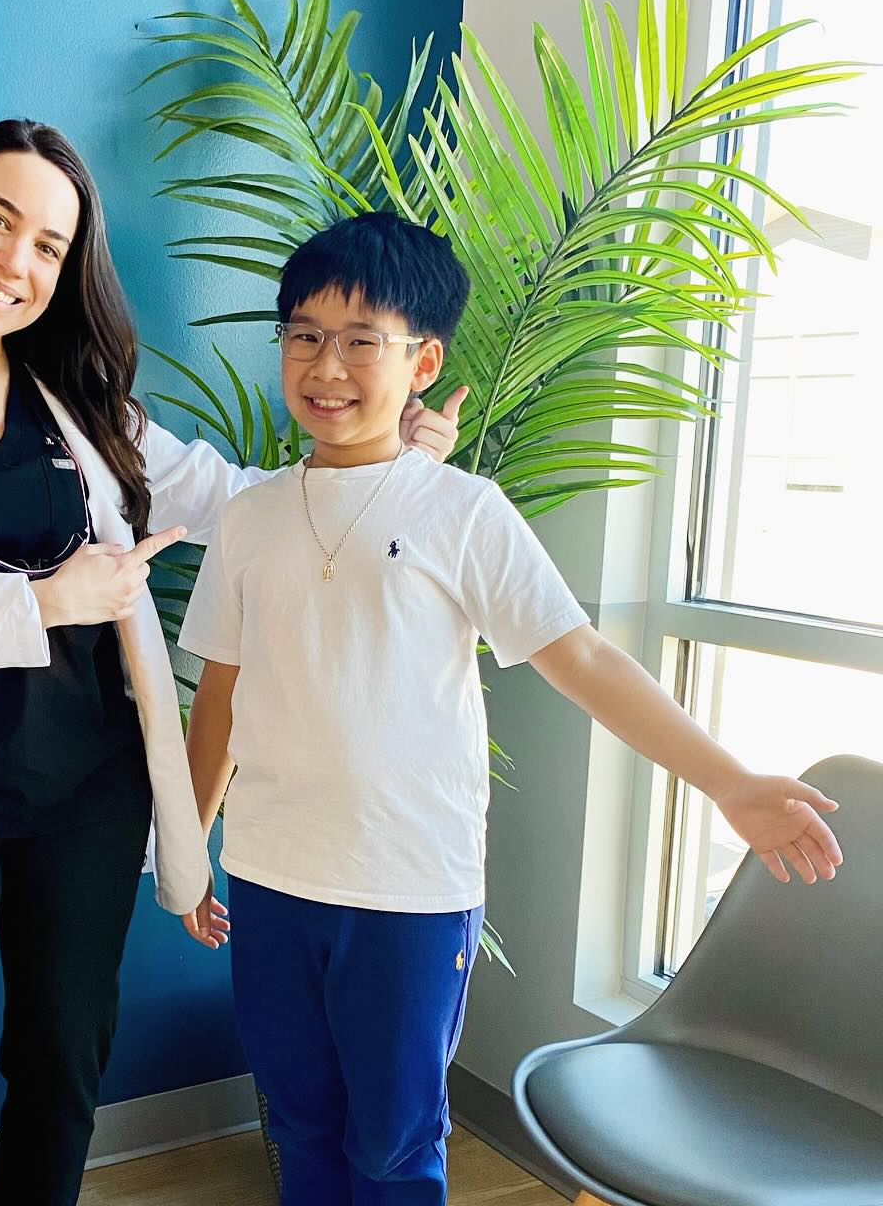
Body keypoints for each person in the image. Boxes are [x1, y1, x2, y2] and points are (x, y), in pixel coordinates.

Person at [0, 122, 463, 1205]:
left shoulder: (79, 404)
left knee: (61, 1067)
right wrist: (47, 600)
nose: (17, 260)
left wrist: (388, 467)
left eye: (49, 245)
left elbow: (248, 502)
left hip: (90, 784)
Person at [177, 212, 844, 1206]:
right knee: (302, 1123)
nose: (327, 364)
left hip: (408, 888)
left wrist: (728, 780)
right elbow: (222, 689)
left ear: (422, 360)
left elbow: (581, 657)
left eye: (363, 340)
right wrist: (187, 848)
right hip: (272, 878)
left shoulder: (462, 512)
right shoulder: (250, 515)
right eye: (304, 334)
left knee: (395, 1145)